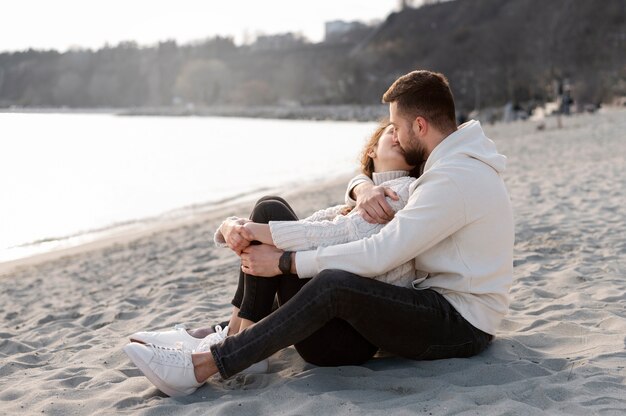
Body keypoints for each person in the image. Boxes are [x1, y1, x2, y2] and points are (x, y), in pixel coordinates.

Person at [123, 69, 514, 398]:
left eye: (395, 126)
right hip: (440, 305)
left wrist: (285, 261)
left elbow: (380, 252)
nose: (390, 133)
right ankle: (226, 335)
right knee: (302, 247)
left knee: (333, 285)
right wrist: (361, 186)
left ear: (420, 126)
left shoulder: (452, 179)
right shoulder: (450, 164)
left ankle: (205, 364)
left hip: (460, 322)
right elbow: (357, 200)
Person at [125, 119, 425, 384]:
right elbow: (308, 227)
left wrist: (255, 231)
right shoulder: (361, 197)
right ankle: (235, 334)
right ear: (371, 151)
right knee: (271, 211)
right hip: (329, 325)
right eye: (391, 131)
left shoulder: (406, 191)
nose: (398, 136)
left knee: (271, 209)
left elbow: (334, 234)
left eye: (402, 134)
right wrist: (233, 226)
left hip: (345, 341)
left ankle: (235, 338)